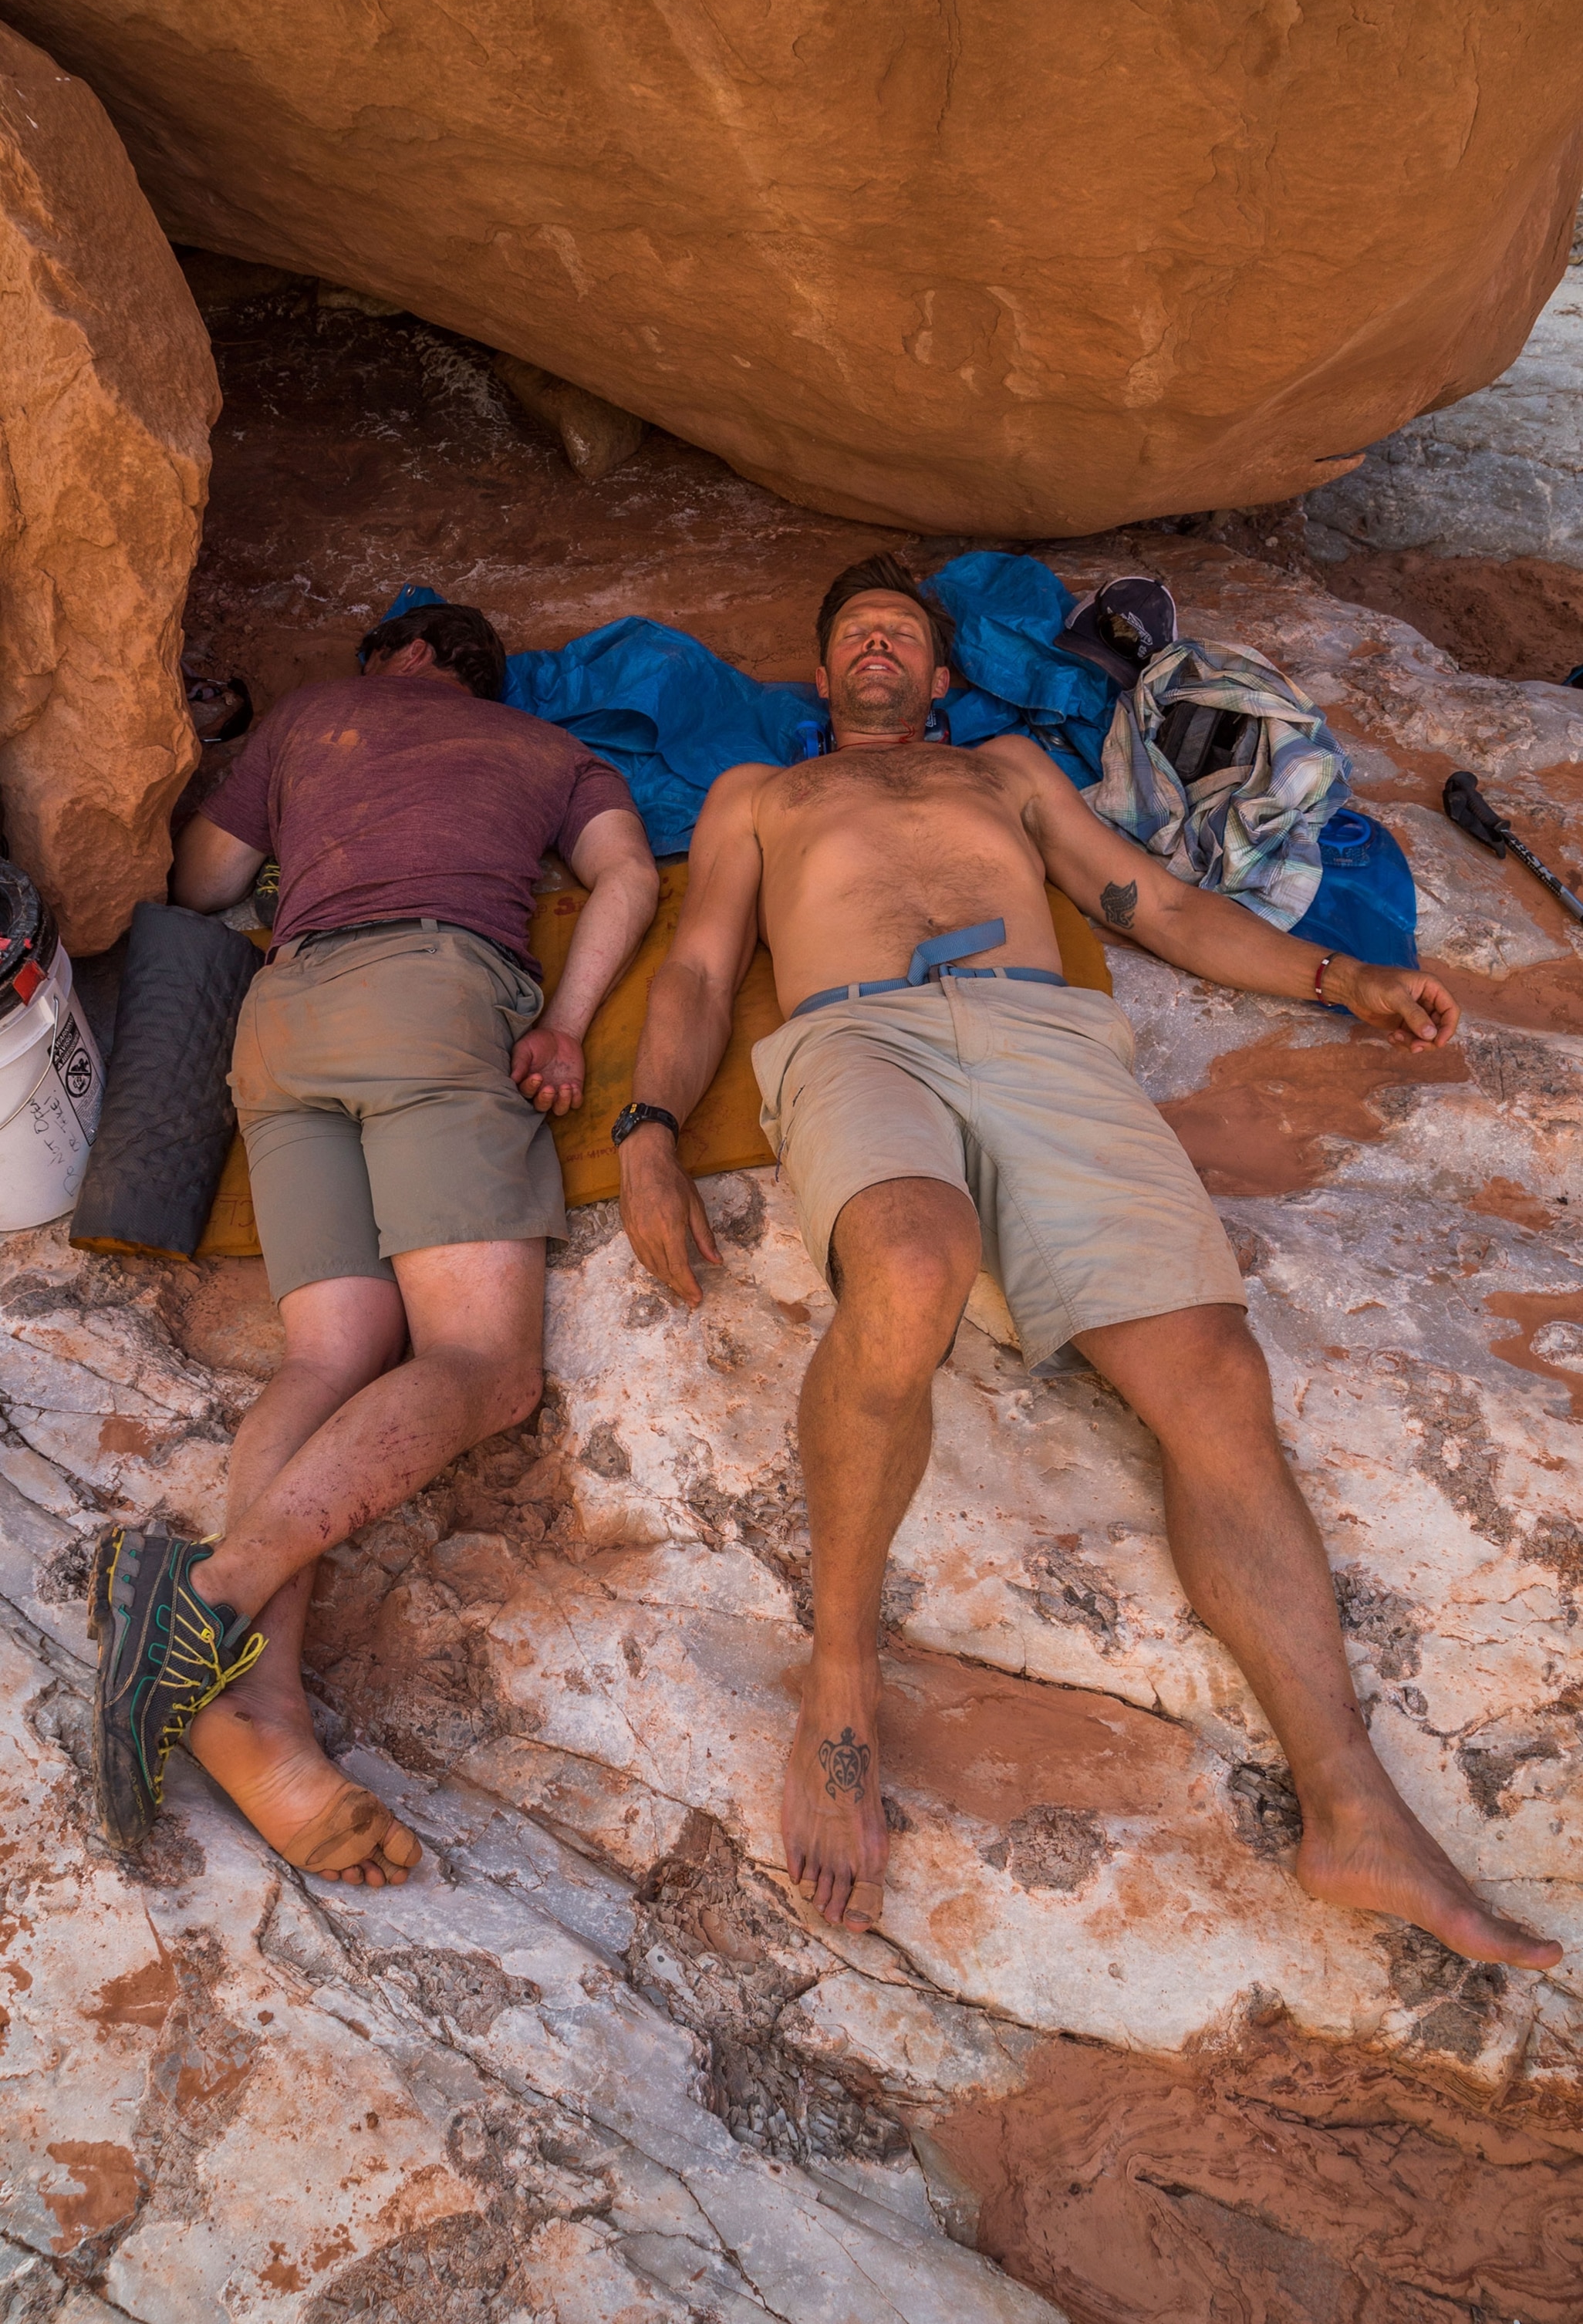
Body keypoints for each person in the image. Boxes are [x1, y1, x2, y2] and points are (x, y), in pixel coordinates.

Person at [614, 551, 1561, 1971]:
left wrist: (1337, 976)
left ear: (940, 679)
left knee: (1214, 1370)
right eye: (852, 634)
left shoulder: (1001, 770)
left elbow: (1152, 905)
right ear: (821, 680)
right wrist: (645, 1129)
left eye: (901, 637)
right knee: (915, 1270)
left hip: (1043, 1037)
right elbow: (695, 968)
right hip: (857, 1037)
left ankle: (1350, 1802)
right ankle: (845, 1681)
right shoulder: (765, 797)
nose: (876, 649)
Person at [93, 602, 659, 1886]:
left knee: (329, 1351)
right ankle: (208, 1594)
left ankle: (257, 1714)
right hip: (433, 995)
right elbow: (625, 875)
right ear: (479, 677)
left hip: (281, 1020)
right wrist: (563, 1024)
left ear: (390, 656)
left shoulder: (308, 717)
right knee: (484, 1363)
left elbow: (204, 885)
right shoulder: (545, 749)